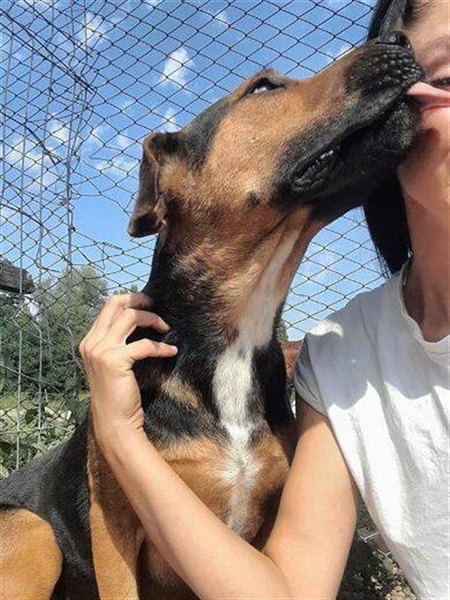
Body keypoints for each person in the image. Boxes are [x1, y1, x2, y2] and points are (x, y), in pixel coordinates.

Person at [80, 0, 449, 597]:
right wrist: (118, 433)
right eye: (267, 89)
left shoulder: (321, 371)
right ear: (169, 180)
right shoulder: (343, 359)